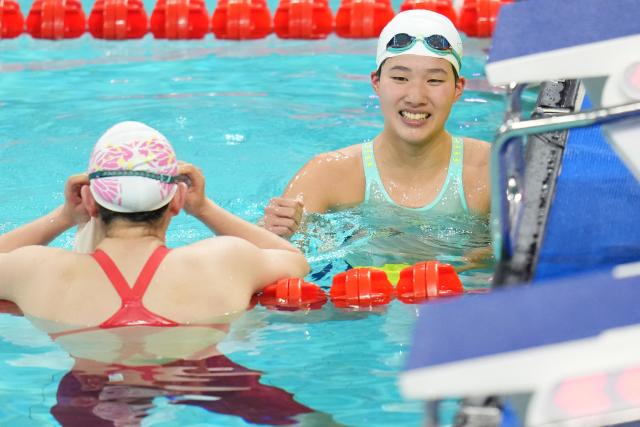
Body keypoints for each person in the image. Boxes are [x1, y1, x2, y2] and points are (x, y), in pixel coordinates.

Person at [0, 120, 309, 329]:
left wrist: (64, 216)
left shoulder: (39, 270)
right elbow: (296, 260)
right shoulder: (223, 261)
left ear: (91, 201)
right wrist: (204, 208)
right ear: (176, 200)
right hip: (203, 385)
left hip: (87, 391)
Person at [263, 10, 491, 275]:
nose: (416, 96)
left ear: (458, 88)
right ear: (377, 83)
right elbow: (273, 258)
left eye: (435, 80)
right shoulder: (327, 174)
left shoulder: (492, 169)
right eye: (400, 78)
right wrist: (274, 231)